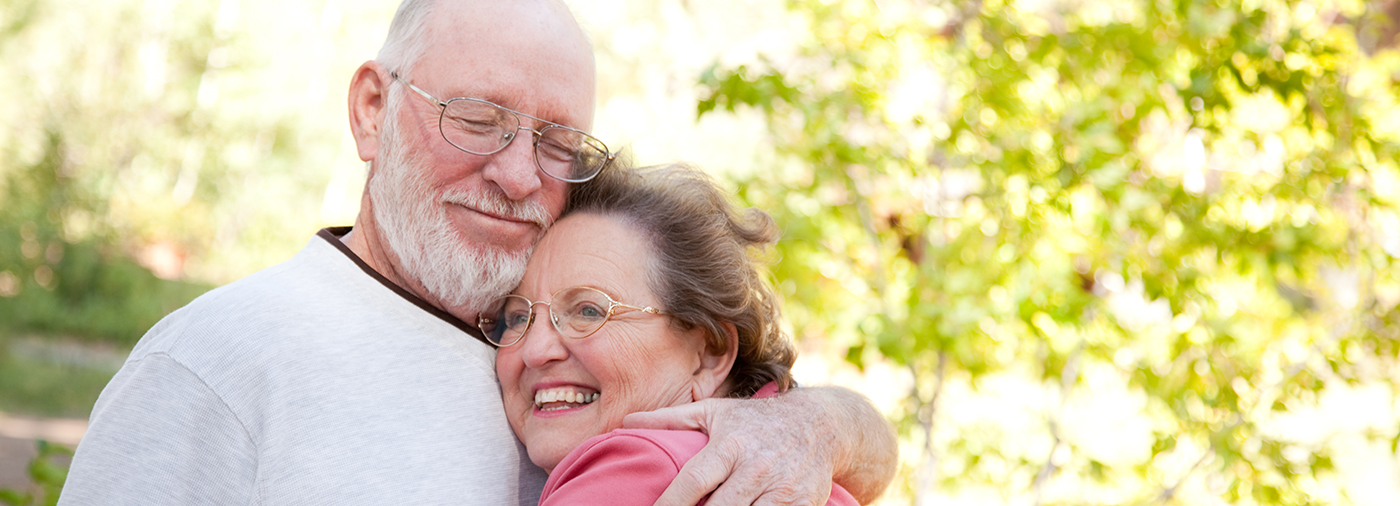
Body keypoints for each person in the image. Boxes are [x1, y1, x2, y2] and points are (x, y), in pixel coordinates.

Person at [58, 1, 897, 505]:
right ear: (370, 111)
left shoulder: (582, 356)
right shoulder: (217, 360)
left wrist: (816, 422)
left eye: (557, 138)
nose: (519, 172)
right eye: (477, 118)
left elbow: (857, 449)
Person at [488, 162, 865, 505]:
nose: (535, 350)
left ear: (709, 355)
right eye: (518, 317)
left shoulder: (630, 471)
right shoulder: (807, 478)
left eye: (589, 311)